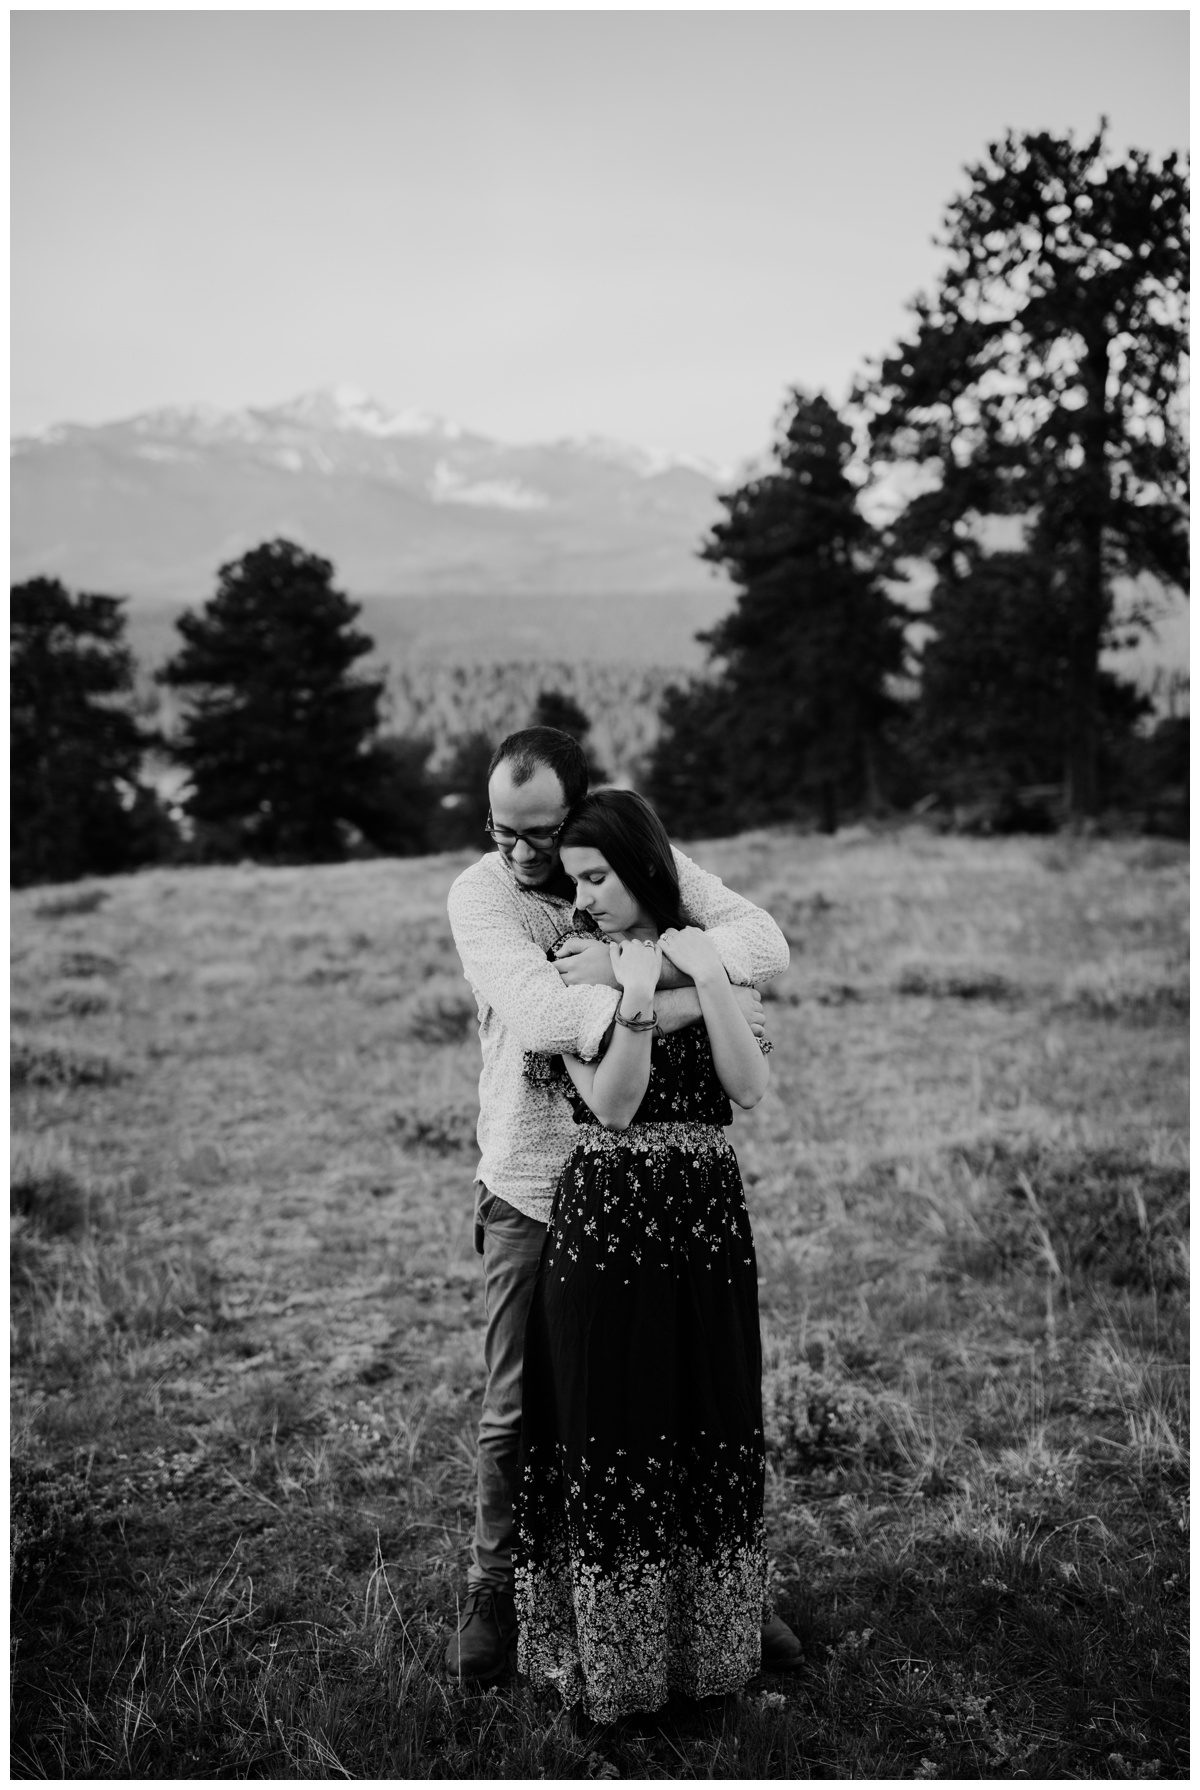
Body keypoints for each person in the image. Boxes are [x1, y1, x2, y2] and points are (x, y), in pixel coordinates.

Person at [445, 727, 798, 1684]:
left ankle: (706, 1598)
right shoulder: (482, 896)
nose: (523, 856)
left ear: (583, 813)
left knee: (673, 1392)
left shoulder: (624, 854)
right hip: (535, 1180)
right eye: (502, 831)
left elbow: (766, 942)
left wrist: (643, 967)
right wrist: (673, 986)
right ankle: (499, 1585)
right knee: (522, 1404)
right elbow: (554, 1016)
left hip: (662, 1194)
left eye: (540, 835)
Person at [514, 789, 771, 1724]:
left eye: (597, 877)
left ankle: (709, 1657)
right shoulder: (568, 968)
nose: (584, 899)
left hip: (706, 1222)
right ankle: (616, 1677)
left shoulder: (705, 949)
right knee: (613, 1422)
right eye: (575, 881)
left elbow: (748, 1089)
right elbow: (616, 1106)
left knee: (708, 1412)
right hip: (609, 1220)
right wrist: (633, 992)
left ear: (643, 867)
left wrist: (697, 982)